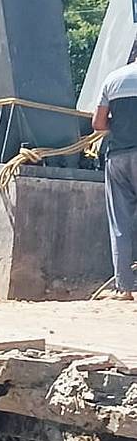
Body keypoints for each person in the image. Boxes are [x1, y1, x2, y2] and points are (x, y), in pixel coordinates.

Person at [93, 56, 137, 301]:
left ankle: (126, 288)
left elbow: (98, 123)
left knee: (119, 224)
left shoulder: (114, 78)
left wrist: (119, 126)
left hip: (118, 157)